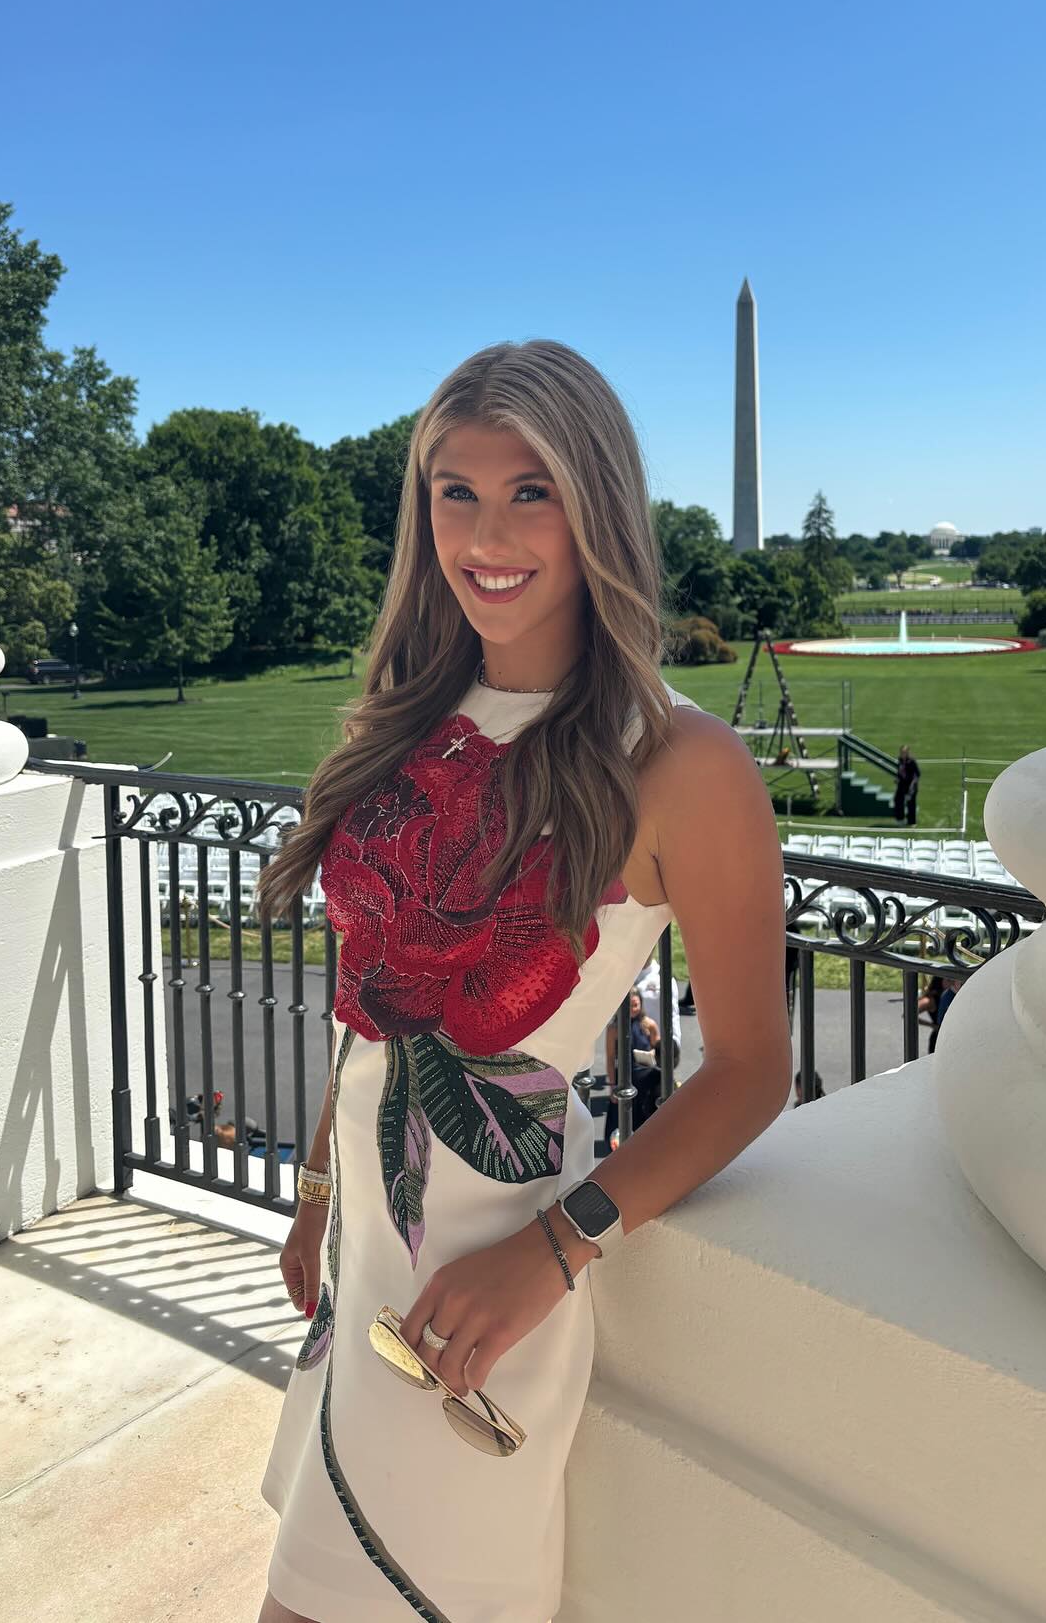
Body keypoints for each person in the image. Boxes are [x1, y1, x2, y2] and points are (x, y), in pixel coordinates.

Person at [248, 340, 793, 1623]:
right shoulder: (413, 711)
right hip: (371, 1267)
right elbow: (375, 993)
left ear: (595, 502)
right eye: (455, 491)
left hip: (489, 1288)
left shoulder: (679, 763)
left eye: (529, 490)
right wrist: (320, 1188)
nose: (486, 532)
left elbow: (754, 1069)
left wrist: (558, 1249)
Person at [605, 986, 663, 1131]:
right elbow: (611, 1059)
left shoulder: (649, 1025)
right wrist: (612, 1086)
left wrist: (651, 1055)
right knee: (621, 1124)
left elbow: (660, 1053)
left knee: (646, 1123)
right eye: (629, 1005)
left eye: (636, 1005)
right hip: (625, 1077)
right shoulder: (614, 1029)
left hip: (646, 1080)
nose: (633, 1009)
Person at [893, 743, 921, 825]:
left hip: (911, 785)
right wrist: (897, 779)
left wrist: (913, 784)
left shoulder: (912, 762)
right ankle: (900, 819)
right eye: (901, 752)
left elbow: (917, 774)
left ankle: (911, 822)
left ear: (908, 753)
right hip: (902, 785)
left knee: (911, 803)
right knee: (898, 800)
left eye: (904, 752)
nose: (902, 754)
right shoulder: (900, 760)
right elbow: (900, 772)